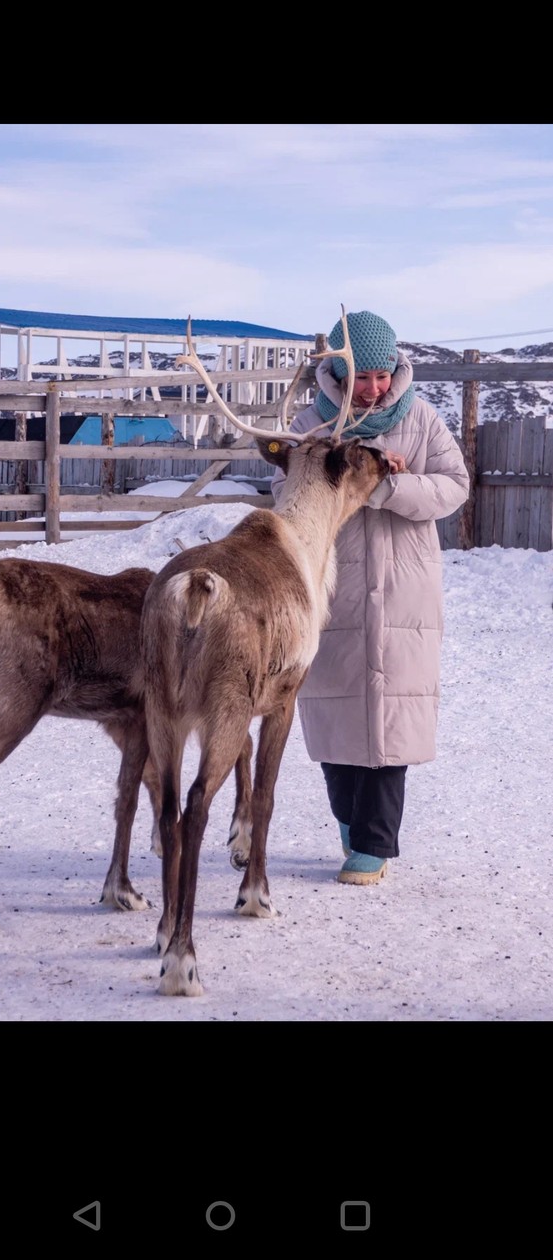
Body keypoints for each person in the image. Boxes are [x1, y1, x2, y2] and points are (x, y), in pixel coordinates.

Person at [271, 309, 470, 884]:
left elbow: (455, 486)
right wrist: (347, 474)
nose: (376, 387)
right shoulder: (308, 424)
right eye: (363, 376)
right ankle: (351, 821)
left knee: (392, 716)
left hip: (404, 589)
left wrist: (389, 485)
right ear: (337, 369)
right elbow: (288, 495)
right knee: (333, 710)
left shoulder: (423, 419)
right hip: (333, 586)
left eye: (383, 375)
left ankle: (373, 845)